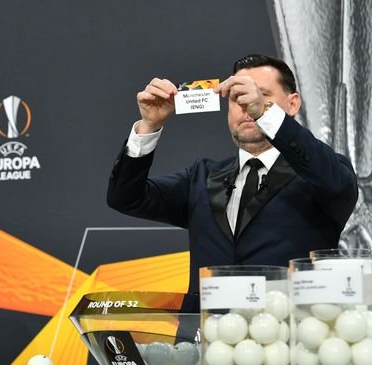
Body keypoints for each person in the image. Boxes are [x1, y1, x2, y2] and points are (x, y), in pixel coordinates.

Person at [106, 54, 358, 304]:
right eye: (238, 97)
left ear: (292, 104)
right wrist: (148, 127)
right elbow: (125, 197)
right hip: (207, 328)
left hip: (287, 327)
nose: (247, 106)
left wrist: (265, 113)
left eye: (262, 95)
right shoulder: (201, 177)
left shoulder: (322, 176)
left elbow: (335, 180)